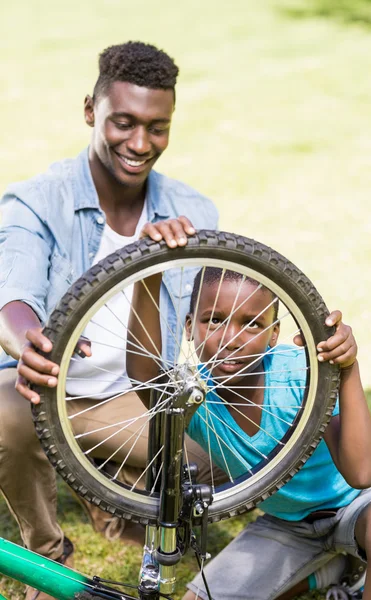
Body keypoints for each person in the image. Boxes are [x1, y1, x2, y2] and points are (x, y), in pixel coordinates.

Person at [0, 42, 218, 600]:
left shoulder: (191, 211)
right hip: (40, 391)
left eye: (157, 127)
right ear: (91, 111)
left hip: (128, 396)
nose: (140, 144)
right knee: (6, 413)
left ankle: (113, 508)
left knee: (215, 464)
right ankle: (47, 557)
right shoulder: (36, 202)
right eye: (124, 123)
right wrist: (31, 343)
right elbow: (11, 297)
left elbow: (209, 322)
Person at [126, 223, 371, 600]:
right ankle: (335, 569)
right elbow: (143, 374)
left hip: (361, 507)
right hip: (287, 525)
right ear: (189, 327)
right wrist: (148, 272)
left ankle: (359, 556)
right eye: (214, 320)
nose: (230, 338)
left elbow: (363, 473)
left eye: (251, 324)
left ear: (274, 335)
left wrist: (346, 369)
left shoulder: (299, 375)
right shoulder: (192, 396)